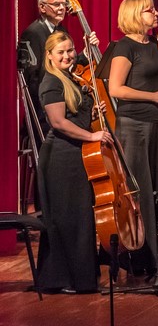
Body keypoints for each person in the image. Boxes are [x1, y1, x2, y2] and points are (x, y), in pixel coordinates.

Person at [36, 32, 107, 294]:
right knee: (67, 219)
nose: (67, 56)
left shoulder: (70, 78)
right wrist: (92, 135)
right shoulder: (51, 82)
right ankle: (63, 279)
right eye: (61, 52)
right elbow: (58, 122)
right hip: (61, 158)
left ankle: (78, 278)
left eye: (70, 50)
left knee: (79, 217)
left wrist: (92, 114)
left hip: (75, 153)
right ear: (49, 56)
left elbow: (73, 114)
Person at [105, 0, 158, 280]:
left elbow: (155, 79)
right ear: (134, 15)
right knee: (138, 191)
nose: (156, 13)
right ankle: (138, 259)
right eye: (148, 10)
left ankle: (156, 256)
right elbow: (116, 89)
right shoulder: (124, 47)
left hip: (156, 122)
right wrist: (153, 96)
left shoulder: (152, 44)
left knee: (156, 189)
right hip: (134, 125)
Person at [19, 0, 93, 130]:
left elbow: (67, 64)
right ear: (42, 7)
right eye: (56, 4)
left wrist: (86, 53)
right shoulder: (33, 33)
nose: (62, 8)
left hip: (62, 100)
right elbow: (33, 77)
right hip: (45, 108)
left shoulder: (61, 30)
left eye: (64, 4)